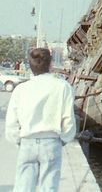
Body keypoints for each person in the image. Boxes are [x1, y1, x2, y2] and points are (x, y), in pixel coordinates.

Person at [5, 47, 76, 192]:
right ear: (50, 65)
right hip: (51, 142)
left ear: (30, 66)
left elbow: (11, 122)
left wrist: (19, 140)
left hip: (27, 142)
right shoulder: (63, 87)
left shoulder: (20, 89)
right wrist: (63, 139)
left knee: (23, 187)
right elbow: (68, 121)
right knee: (49, 187)